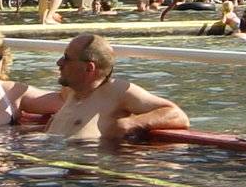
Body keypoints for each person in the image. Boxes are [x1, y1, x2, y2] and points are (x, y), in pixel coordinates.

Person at [46, 32, 190, 141]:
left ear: (89, 68)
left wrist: (131, 123)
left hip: (87, 173)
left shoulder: (117, 91)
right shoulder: (70, 92)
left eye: (67, 58)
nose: (59, 63)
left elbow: (177, 115)